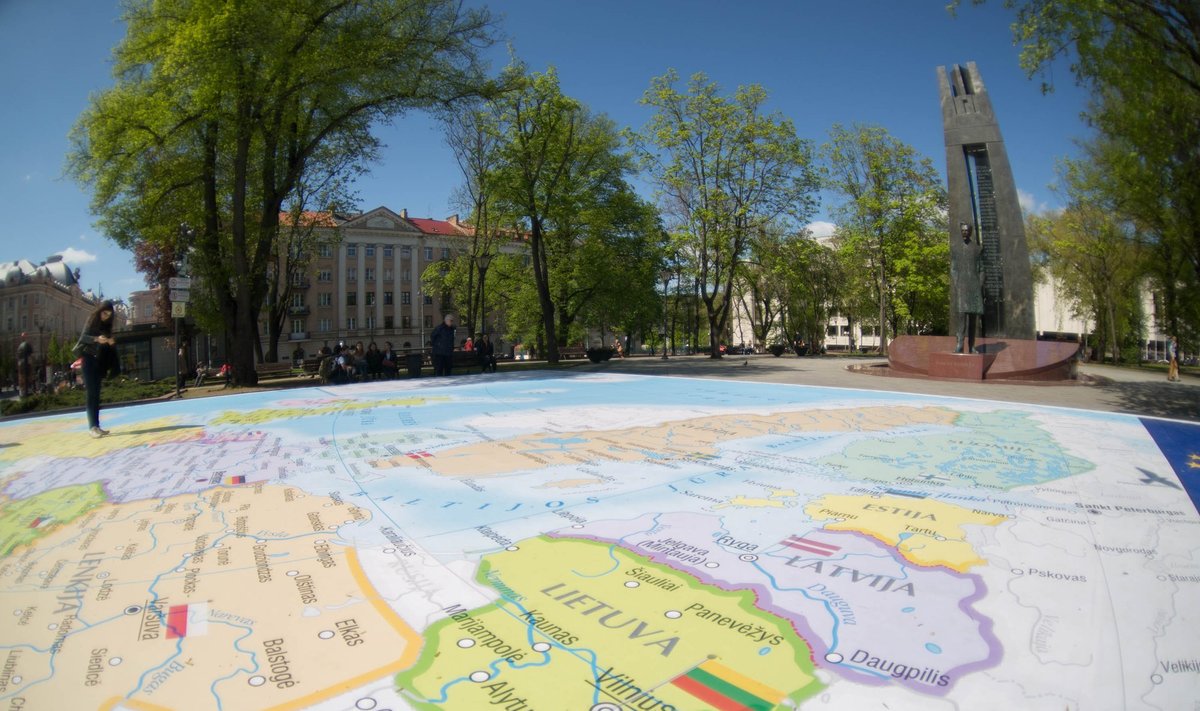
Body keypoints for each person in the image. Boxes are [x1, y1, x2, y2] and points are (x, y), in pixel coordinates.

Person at [75, 300, 116, 438]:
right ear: (100, 311)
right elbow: (83, 338)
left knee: (97, 394)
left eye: (109, 315)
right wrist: (97, 339)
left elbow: (108, 344)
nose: (106, 316)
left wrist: (110, 342)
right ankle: (92, 427)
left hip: (98, 361)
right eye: (104, 313)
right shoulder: (91, 320)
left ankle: (97, 426)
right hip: (88, 359)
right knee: (91, 393)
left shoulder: (106, 326)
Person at [951, 222, 985, 354]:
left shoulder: (977, 249)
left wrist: (979, 284)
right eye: (962, 230)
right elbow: (953, 269)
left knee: (973, 318)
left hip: (974, 286)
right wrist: (957, 283)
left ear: (970, 232)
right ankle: (959, 343)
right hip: (961, 286)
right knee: (961, 316)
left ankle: (971, 345)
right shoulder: (956, 248)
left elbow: (982, 269)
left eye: (966, 230)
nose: (964, 232)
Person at [16, 333, 33, 397]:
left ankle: (23, 391)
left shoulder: (20, 346)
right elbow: (31, 355)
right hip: (26, 363)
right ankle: (27, 390)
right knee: (28, 376)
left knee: (22, 378)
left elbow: (18, 356)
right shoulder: (27, 345)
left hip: (21, 363)